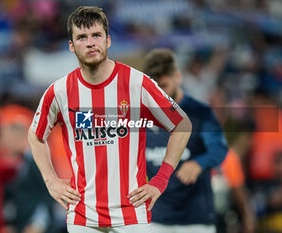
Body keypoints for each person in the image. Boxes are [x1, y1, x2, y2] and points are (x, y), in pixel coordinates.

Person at [28, 6, 192, 233]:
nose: (90, 42)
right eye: (82, 37)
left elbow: (182, 124)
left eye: (96, 35)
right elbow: (36, 135)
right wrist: (50, 181)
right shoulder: (59, 91)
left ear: (108, 40)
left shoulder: (137, 83)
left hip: (132, 214)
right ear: (71, 46)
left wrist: (161, 180)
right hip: (83, 216)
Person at [143, 48, 227, 233]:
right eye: (153, 88)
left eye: (163, 86)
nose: (159, 94)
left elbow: (219, 148)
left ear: (178, 77)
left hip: (195, 220)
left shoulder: (201, 113)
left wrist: (199, 163)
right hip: (154, 219)